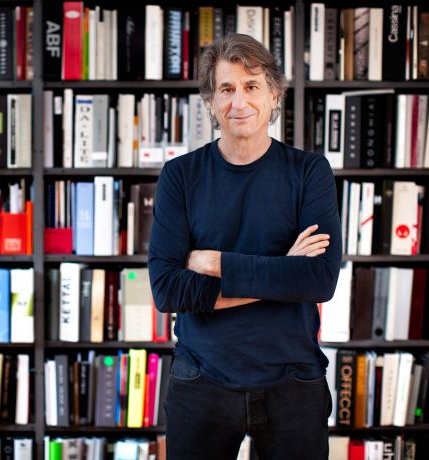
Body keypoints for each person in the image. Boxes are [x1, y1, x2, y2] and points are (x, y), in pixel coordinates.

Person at [148, 33, 342, 460]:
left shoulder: (310, 172)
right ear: (211, 102)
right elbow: (168, 290)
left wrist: (214, 262)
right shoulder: (180, 176)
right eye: (226, 89)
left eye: (251, 86)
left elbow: (319, 279)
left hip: (294, 381)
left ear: (274, 95)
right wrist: (282, 272)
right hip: (201, 380)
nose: (239, 101)